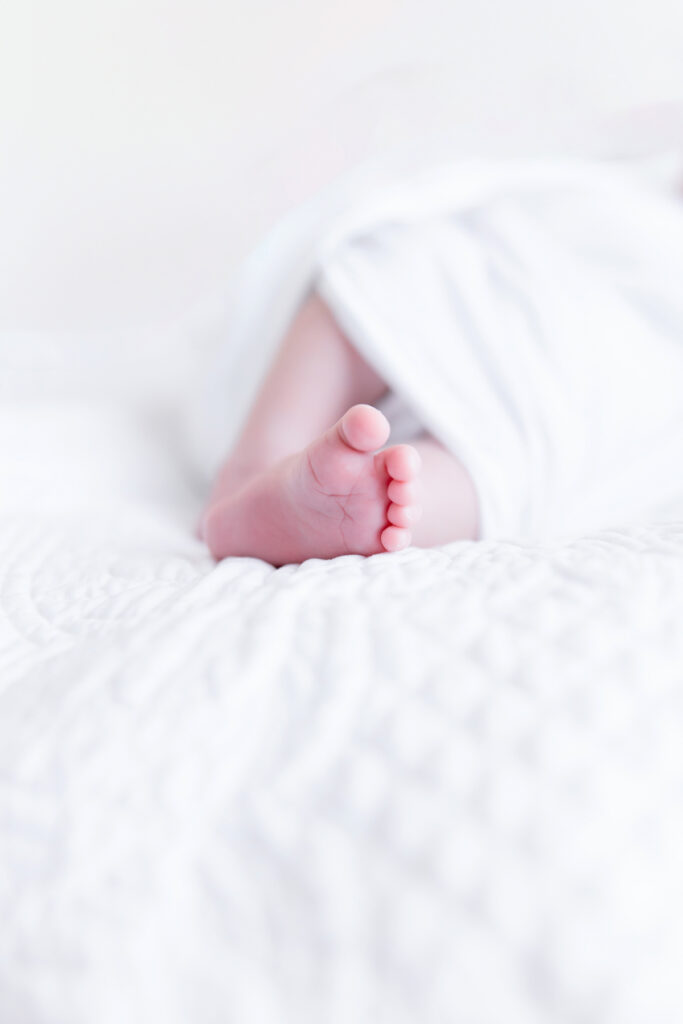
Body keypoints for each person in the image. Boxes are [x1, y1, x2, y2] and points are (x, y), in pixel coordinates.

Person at [200, 158, 683, 566]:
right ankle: (268, 472)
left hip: (583, 355)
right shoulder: (630, 202)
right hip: (521, 288)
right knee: (405, 275)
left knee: (501, 456)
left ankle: (334, 492)